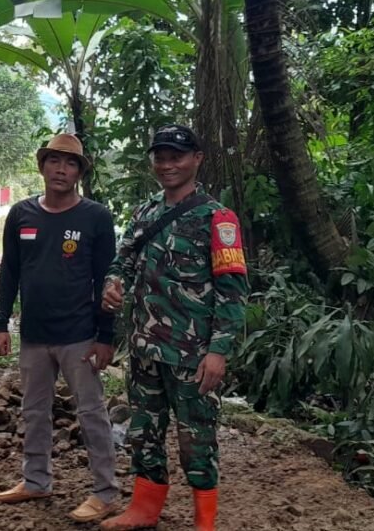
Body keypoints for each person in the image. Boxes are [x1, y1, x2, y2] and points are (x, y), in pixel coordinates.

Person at [99, 125, 248, 531]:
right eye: (160, 157)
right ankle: (144, 509)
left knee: (196, 440)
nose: (167, 165)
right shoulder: (146, 212)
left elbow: (233, 291)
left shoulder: (218, 218)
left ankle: (205, 521)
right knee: (144, 433)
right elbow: (123, 261)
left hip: (193, 355)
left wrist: (218, 351)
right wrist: (114, 283)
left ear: (197, 158)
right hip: (145, 348)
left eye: (176, 156)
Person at [0, 133, 119, 524]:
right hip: (33, 334)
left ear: (79, 172)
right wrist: (0, 324)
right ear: (42, 166)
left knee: (92, 412)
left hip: (79, 335)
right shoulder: (21, 214)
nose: (61, 170)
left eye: (70, 164)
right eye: (54, 162)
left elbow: (107, 280)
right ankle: (36, 480)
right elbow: (10, 272)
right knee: (33, 411)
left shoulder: (95, 217)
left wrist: (106, 336)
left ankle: (105, 492)